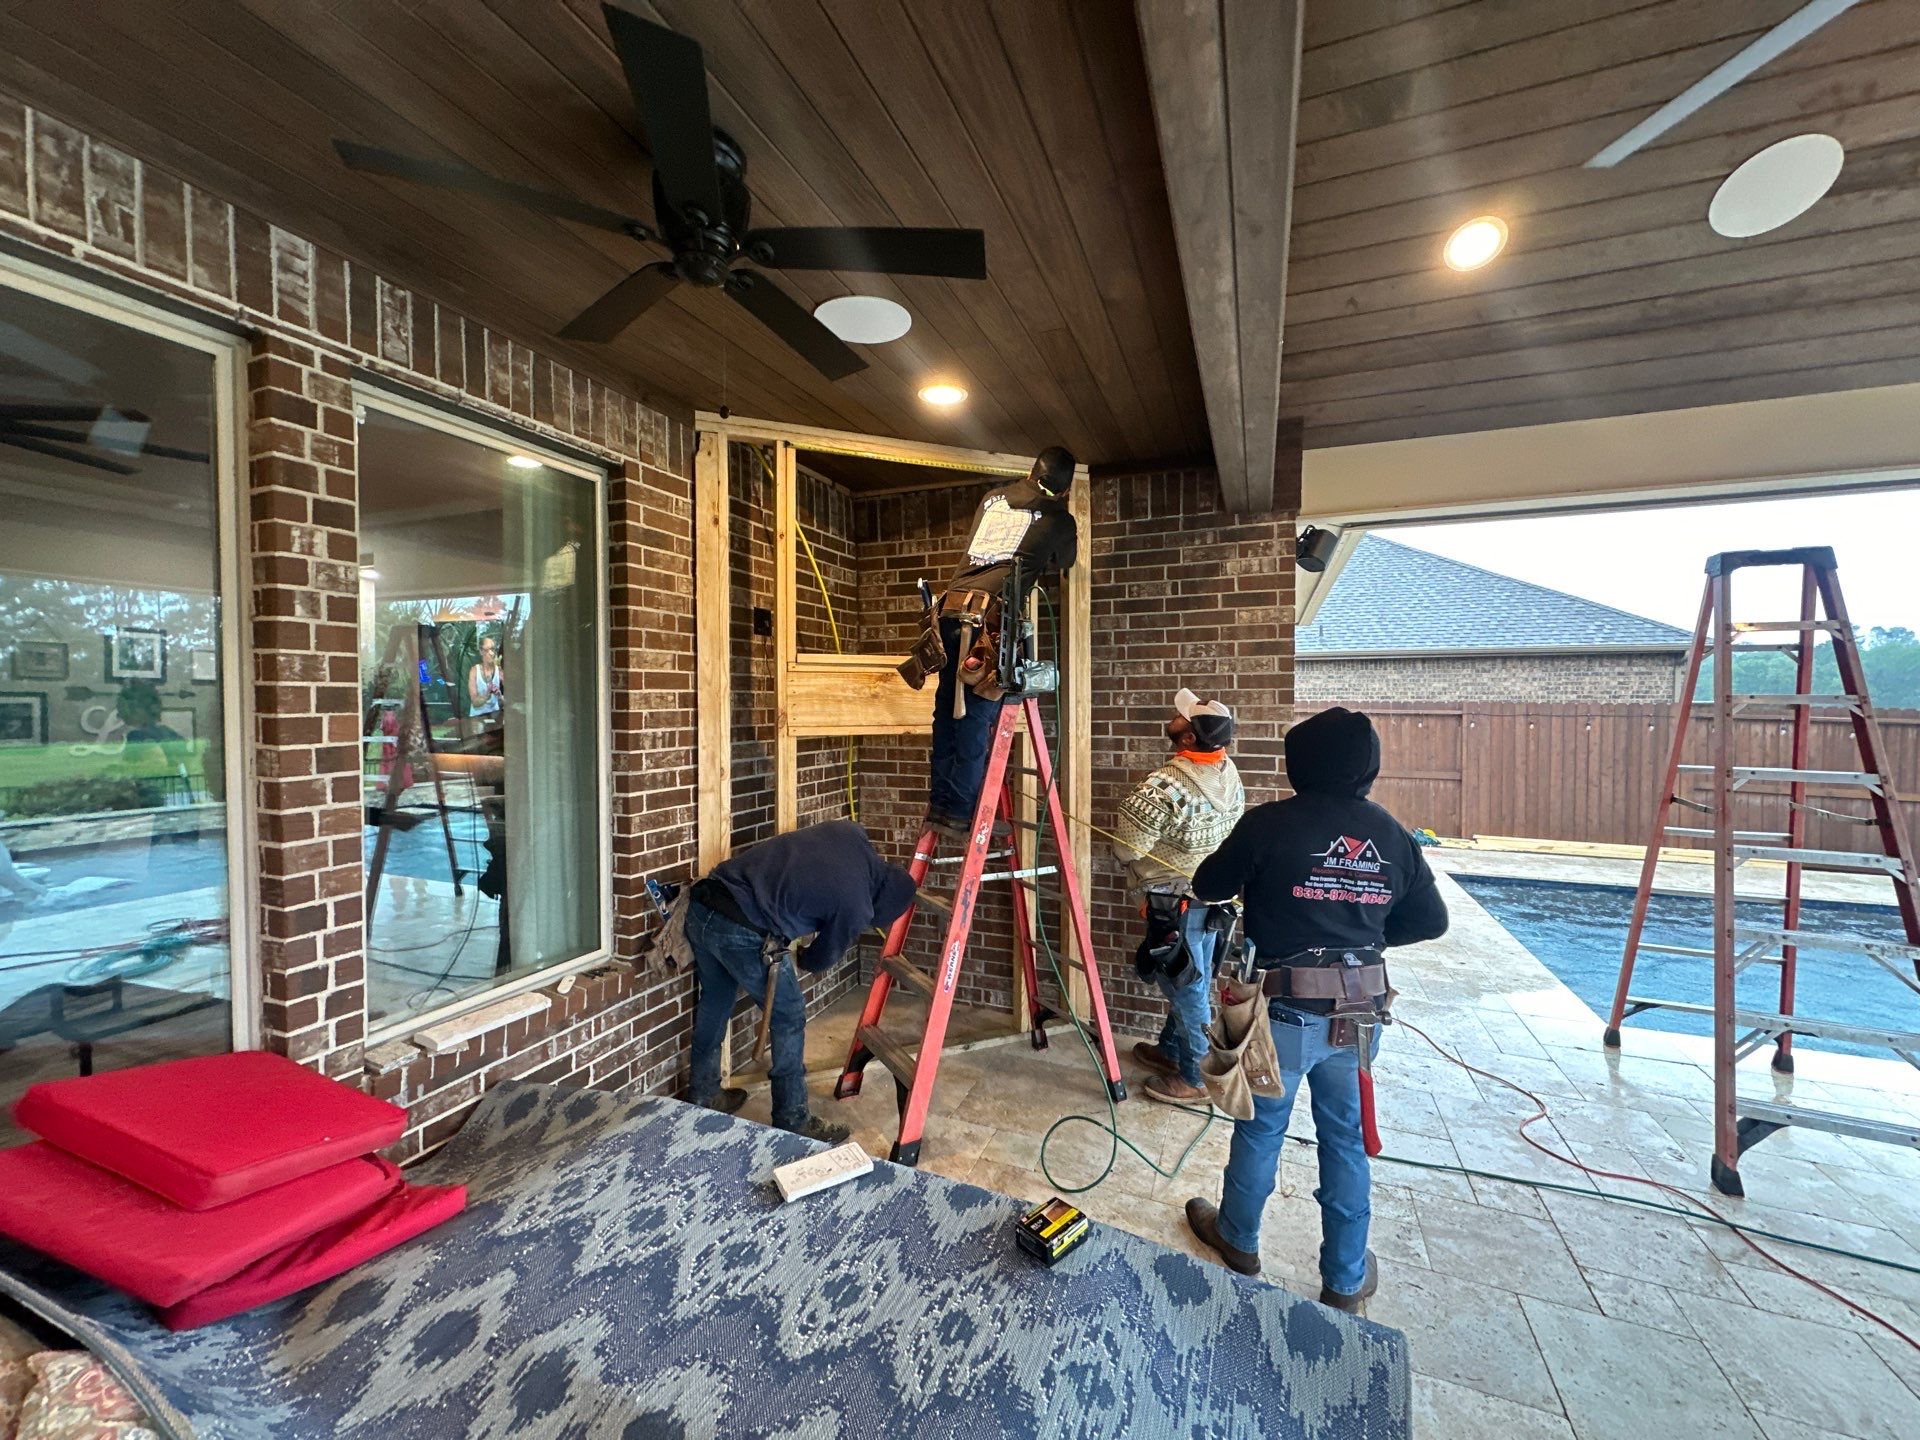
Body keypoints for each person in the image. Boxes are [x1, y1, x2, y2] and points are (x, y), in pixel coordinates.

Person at [1183, 706, 1449, 1314]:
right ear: (1368, 768)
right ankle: (1345, 1281)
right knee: (1345, 1140)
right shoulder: (1390, 834)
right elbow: (1431, 921)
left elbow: (1207, 884)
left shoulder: (1269, 824)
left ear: (1296, 764)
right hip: (1359, 1016)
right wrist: (1366, 937)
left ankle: (1238, 1239)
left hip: (1282, 1015)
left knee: (1261, 1127)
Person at [686, 820, 918, 1144]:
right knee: (789, 1015)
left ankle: (704, 1092)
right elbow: (820, 959)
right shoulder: (858, 906)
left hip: (702, 905)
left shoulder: (852, 834)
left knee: (715, 999)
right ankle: (792, 1118)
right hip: (744, 930)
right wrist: (805, 956)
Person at [906, 445, 1078, 836]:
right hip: (987, 622)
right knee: (973, 714)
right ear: (1065, 489)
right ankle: (960, 813)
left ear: (1032, 471)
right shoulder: (1060, 519)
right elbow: (1064, 561)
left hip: (948, 613)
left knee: (947, 710)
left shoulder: (994, 497)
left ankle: (940, 806)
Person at [1111, 687, 1245, 1107]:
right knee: (1192, 976)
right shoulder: (1228, 772)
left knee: (1188, 989)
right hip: (1211, 899)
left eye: (1183, 716)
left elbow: (1126, 848)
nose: (1176, 714)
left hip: (1174, 905)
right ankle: (1171, 1050)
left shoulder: (1162, 786)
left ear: (1188, 738)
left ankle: (1196, 1077)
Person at [467, 634, 504, 724]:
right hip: (478, 717)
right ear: (481, 651)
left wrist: (500, 696)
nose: (491, 653)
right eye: (488, 650)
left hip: (494, 716)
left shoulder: (499, 671)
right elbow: (475, 702)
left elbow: (510, 701)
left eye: (493, 649)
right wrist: (487, 695)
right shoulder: (474, 671)